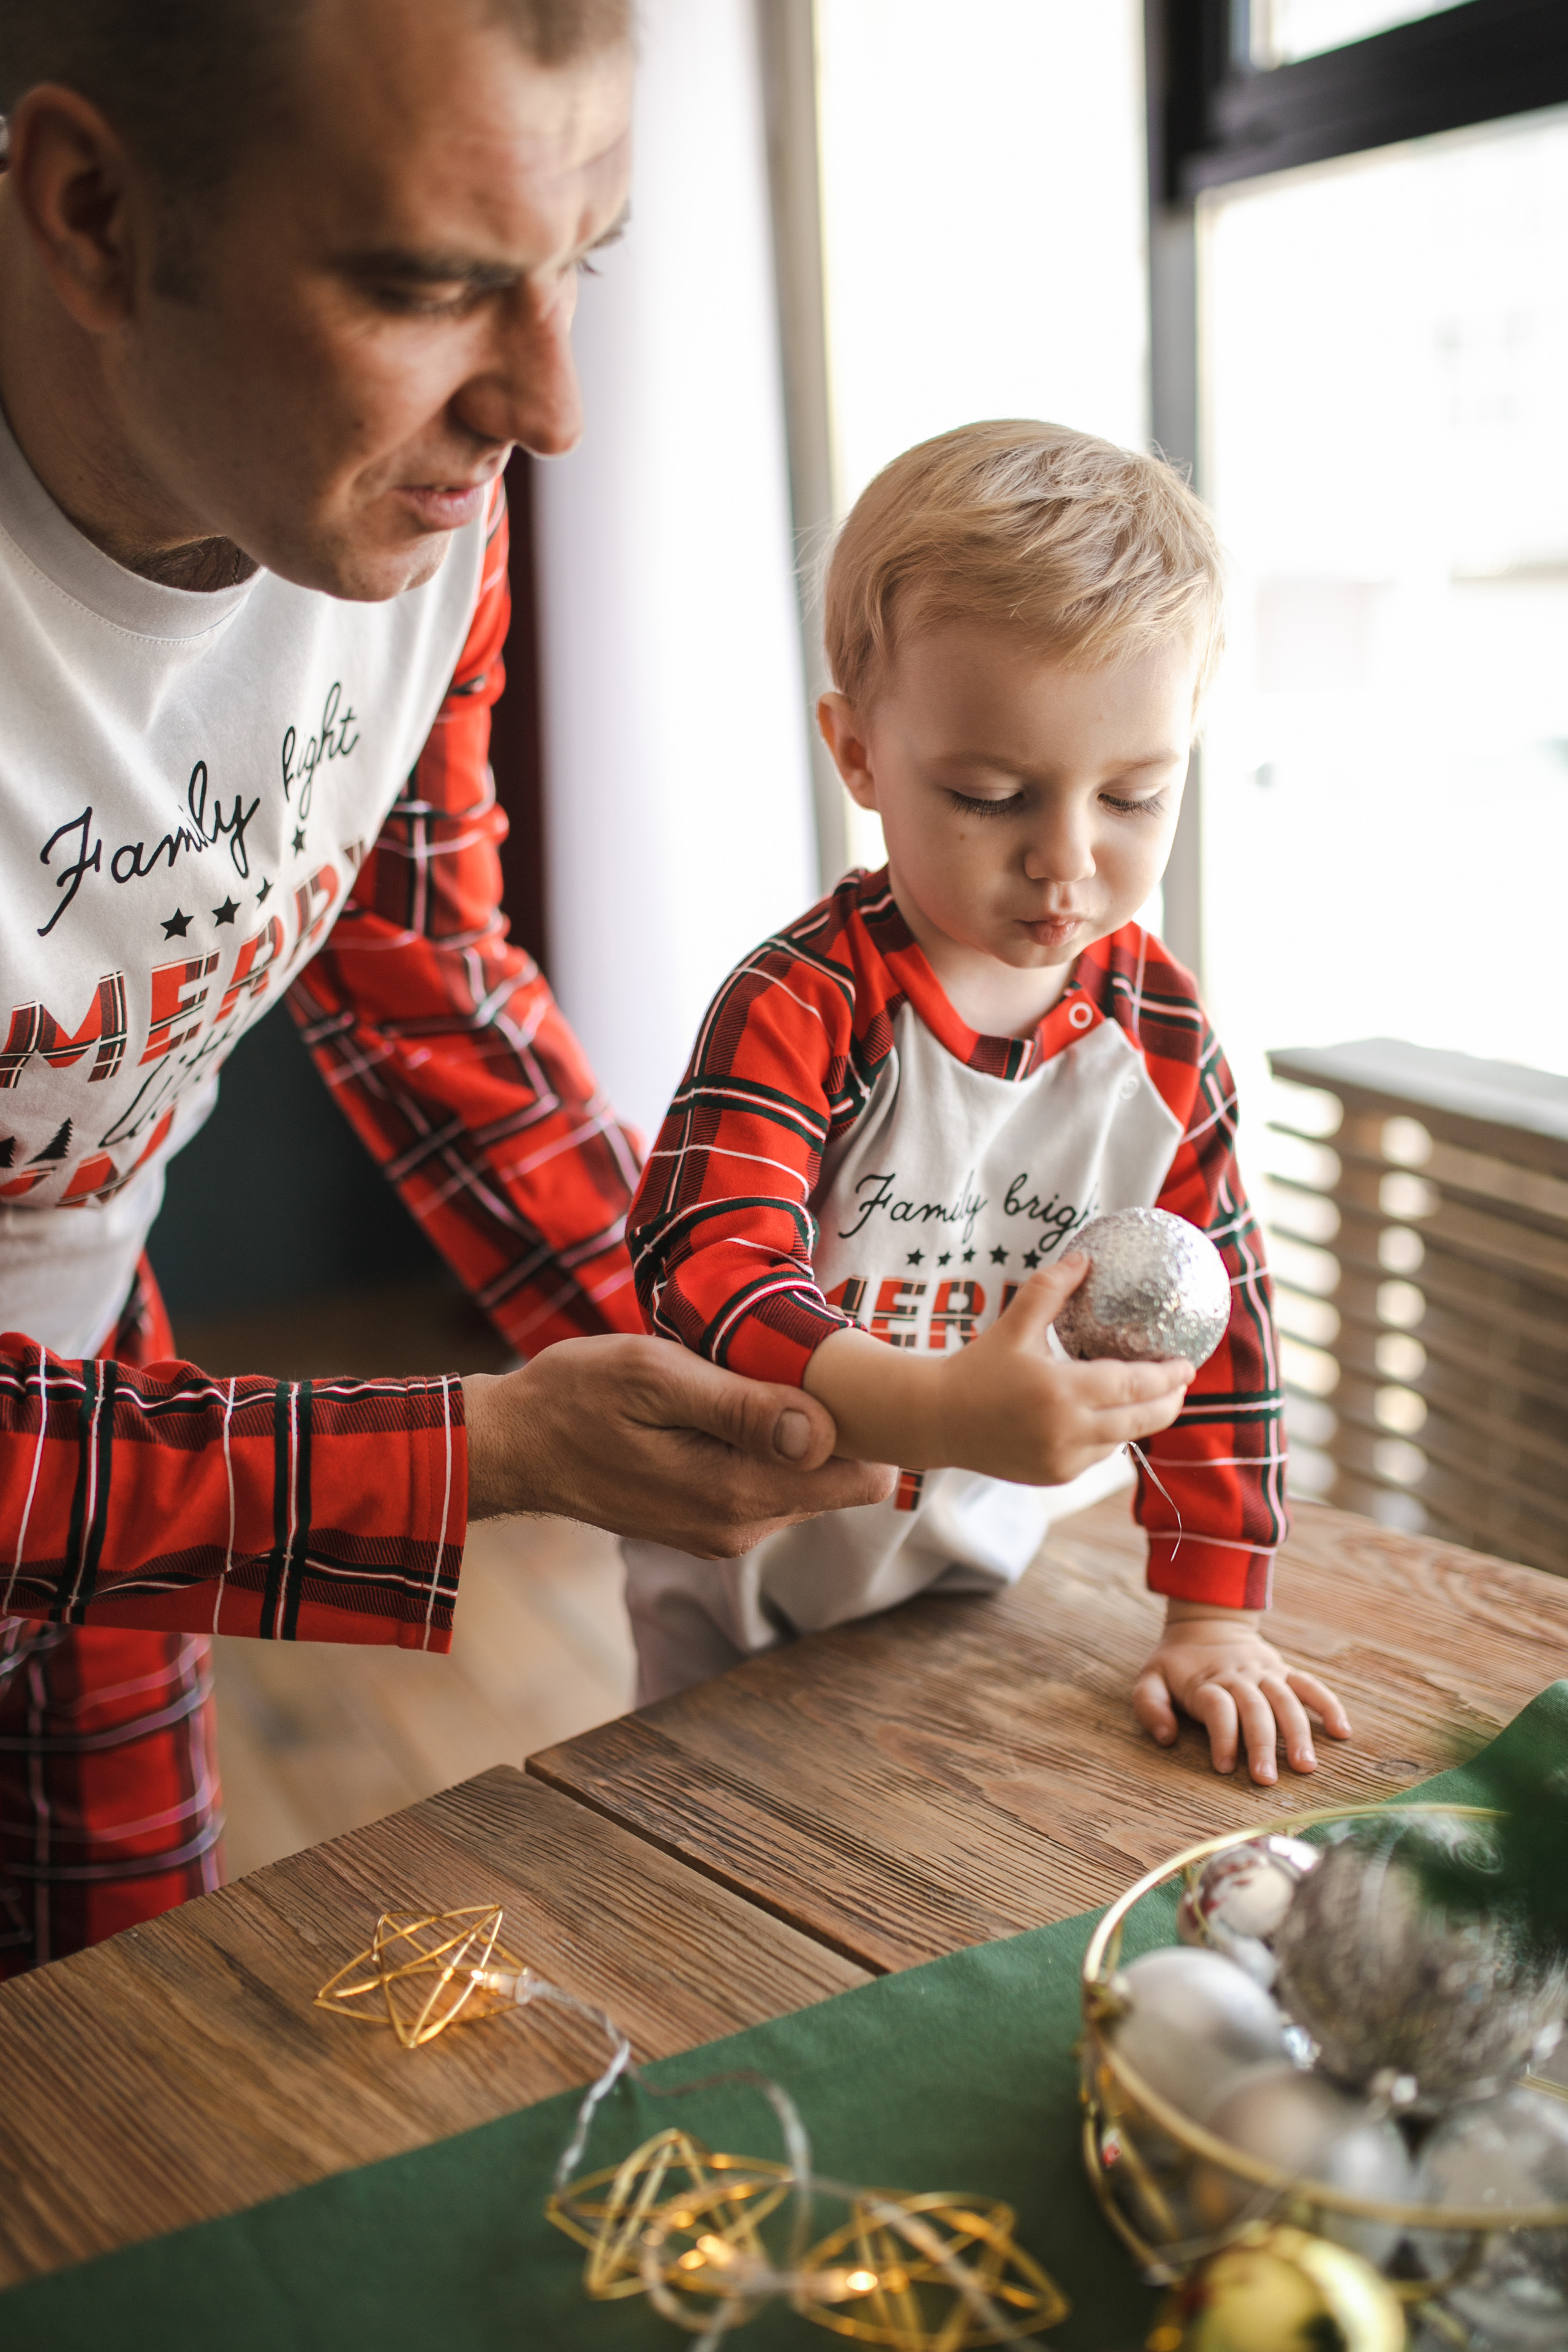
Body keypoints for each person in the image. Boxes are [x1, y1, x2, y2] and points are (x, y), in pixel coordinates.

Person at [0, 0, 891, 1977]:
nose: (550, 410)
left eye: (583, 263)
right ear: (92, 217)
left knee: (125, 2052)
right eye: (430, 287)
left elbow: (422, 975)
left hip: (94, 1338)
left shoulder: (415, 512)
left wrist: (800, 1383)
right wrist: (484, 1455)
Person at [625, 421, 1355, 1787]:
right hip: (736, 1570)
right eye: (988, 795)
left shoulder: (1166, 1042)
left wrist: (1210, 1618)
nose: (1066, 861)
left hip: (972, 1570)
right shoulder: (801, 1004)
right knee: (715, 1851)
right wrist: (939, 1410)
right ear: (857, 756)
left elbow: (1223, 1334)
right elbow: (700, 1267)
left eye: (1136, 795)